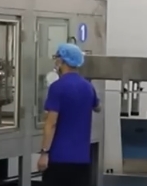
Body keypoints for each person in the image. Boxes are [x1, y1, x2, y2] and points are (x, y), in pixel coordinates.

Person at [39, 43, 101, 186]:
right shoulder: (88, 86)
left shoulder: (57, 87)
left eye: (57, 58)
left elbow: (51, 123)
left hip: (59, 158)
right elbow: (98, 107)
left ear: (61, 61)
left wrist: (44, 153)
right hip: (82, 159)